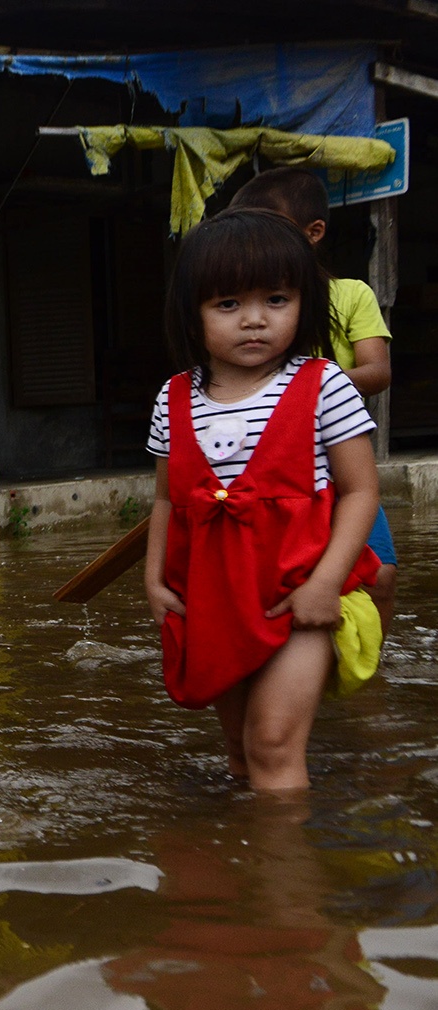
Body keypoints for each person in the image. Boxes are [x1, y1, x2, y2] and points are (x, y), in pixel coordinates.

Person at [142, 207, 382, 791]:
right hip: (211, 601)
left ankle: (286, 881)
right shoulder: (173, 399)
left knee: (272, 743)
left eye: (276, 299)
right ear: (192, 313)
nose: (254, 321)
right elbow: (169, 501)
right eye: (228, 305)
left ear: (302, 303)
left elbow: (361, 491)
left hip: (296, 595)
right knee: (240, 750)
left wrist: (325, 583)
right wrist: (153, 582)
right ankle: (252, 871)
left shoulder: (324, 384)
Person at [231, 166, 400, 634]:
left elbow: (377, 370)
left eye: (270, 227)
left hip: (340, 462)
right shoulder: (253, 309)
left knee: (380, 576)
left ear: (314, 232)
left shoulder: (349, 295)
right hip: (270, 468)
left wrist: (306, 391)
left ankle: (370, 674)